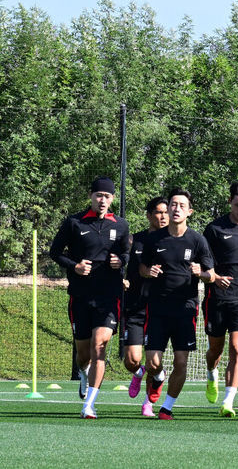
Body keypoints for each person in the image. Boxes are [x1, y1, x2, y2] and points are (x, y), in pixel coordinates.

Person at [49, 176, 131, 419]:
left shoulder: (121, 225)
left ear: (112, 198)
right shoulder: (74, 222)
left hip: (109, 296)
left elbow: (127, 253)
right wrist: (74, 266)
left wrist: (121, 262)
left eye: (107, 196)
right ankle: (83, 374)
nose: (102, 200)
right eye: (99, 195)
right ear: (91, 196)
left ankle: (89, 405)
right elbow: (55, 252)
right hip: (81, 296)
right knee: (83, 353)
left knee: (100, 346)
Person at [139, 189, 218, 420]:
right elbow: (142, 268)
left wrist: (200, 272)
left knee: (181, 360)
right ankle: (158, 378)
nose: (176, 209)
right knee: (153, 363)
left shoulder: (197, 240)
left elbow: (211, 275)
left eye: (182, 205)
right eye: (173, 204)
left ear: (189, 212)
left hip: (185, 309)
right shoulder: (155, 239)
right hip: (157, 308)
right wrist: (148, 271)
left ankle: (167, 407)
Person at [202, 181, 238, 417]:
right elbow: (205, 263)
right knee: (215, 351)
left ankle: (228, 401)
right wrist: (215, 277)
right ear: (230, 202)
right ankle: (211, 373)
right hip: (216, 298)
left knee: (237, 348)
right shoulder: (214, 229)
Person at [123, 197, 168, 417]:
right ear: (149, 215)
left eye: (166, 212)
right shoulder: (135, 240)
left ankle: (147, 402)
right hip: (135, 306)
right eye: (158, 212)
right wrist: (123, 279)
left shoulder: (174, 240)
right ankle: (140, 373)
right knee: (132, 361)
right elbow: (128, 266)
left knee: (153, 360)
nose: (163, 216)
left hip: (159, 310)